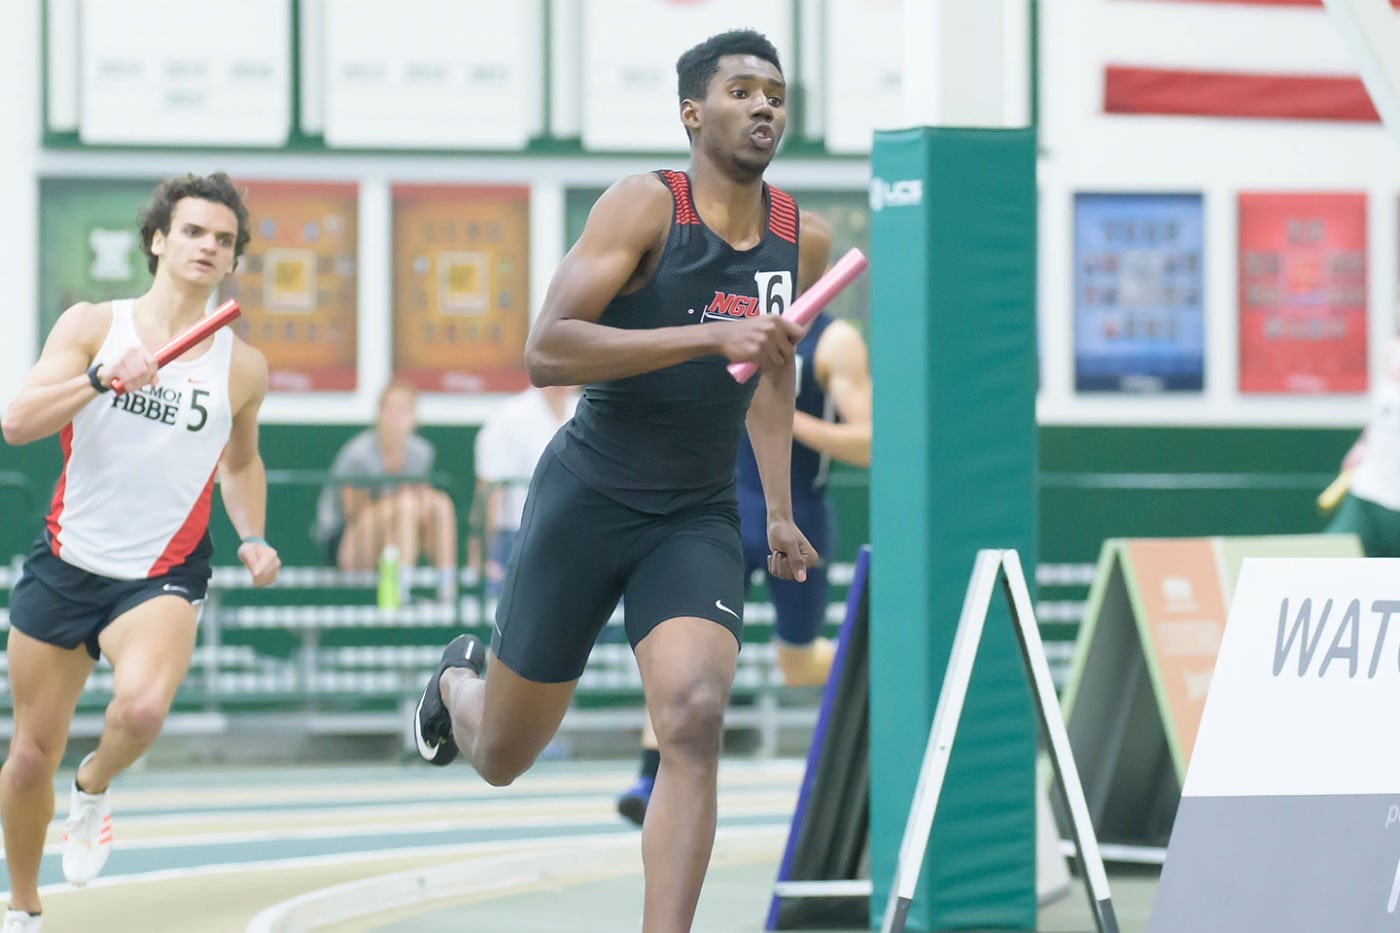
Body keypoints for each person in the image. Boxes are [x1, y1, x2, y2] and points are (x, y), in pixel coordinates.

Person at [411, 29, 831, 932]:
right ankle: (455, 687)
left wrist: (782, 509)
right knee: (504, 756)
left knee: (692, 713)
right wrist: (707, 336)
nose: (764, 106)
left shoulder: (802, 235)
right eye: (742, 91)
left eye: (776, 94)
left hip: (696, 513)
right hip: (588, 496)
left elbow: (773, 371)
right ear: (693, 113)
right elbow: (545, 349)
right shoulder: (644, 206)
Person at [0, 172, 281, 932]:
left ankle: (93, 787)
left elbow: (241, 462)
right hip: (68, 560)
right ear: (159, 239)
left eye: (223, 240)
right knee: (28, 757)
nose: (208, 246)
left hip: (160, 574)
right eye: (193, 231)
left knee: (144, 705)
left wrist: (252, 533)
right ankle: (22, 906)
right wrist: (98, 379)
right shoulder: (94, 324)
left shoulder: (242, 367)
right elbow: (18, 421)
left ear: (231, 261)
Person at [617, 307, 872, 825]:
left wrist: (780, 414)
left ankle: (877, 665)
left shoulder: (834, 340)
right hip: (723, 510)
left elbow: (869, 442)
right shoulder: (724, 313)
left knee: (796, 665)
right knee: (686, 649)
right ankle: (649, 778)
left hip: (797, 516)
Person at [313, 381, 458, 603]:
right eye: (390, 409)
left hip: (400, 537)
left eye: (404, 409)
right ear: (379, 414)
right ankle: (401, 587)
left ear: (414, 417)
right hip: (349, 543)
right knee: (407, 504)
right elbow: (352, 512)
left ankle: (447, 587)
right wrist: (399, 502)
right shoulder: (358, 455)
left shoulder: (421, 452)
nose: (396, 416)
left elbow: (424, 504)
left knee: (440, 503)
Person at [472, 385, 579, 597]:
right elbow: (489, 491)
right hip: (517, 541)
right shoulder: (510, 416)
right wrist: (486, 556)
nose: (561, 379)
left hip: (581, 539)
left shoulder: (590, 411)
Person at [1325, 337, 1400, 556]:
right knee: (1330, 562)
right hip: (1368, 497)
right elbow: (1385, 414)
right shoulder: (1392, 351)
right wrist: (1363, 444)